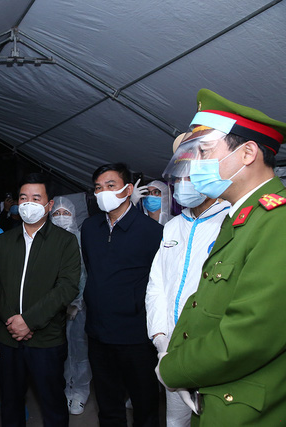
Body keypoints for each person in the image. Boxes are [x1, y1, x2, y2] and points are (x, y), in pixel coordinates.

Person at [156, 89, 286, 425]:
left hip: (245, 407)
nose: (195, 164)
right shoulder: (240, 218)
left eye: (204, 152)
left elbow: (249, 336)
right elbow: (203, 304)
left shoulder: (277, 222)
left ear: (247, 153)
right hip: (215, 393)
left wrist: (172, 368)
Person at [146, 138, 231, 426]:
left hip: (213, 346)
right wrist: (161, 340)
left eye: (191, 177)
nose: (184, 184)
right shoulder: (172, 226)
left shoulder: (229, 220)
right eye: (179, 178)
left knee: (215, 416)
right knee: (175, 419)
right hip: (172, 347)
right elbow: (157, 285)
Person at [0, 172, 81, 427]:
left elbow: (67, 288)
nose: (28, 204)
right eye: (23, 198)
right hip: (8, 339)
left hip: (47, 340)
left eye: (36, 198)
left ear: (49, 204)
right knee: (10, 403)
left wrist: (29, 321)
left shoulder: (65, 242)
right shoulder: (3, 241)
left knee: (52, 404)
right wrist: (13, 322)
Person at [81, 163, 162, 427]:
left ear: (128, 190)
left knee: (144, 404)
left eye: (110, 185)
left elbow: (158, 282)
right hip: (98, 333)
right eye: (98, 188)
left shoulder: (151, 231)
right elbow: (91, 269)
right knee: (108, 405)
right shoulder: (89, 228)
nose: (103, 192)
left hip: (135, 335)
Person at [50, 196, 91, 415]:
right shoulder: (47, 240)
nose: (61, 217)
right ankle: (66, 389)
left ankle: (81, 391)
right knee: (60, 352)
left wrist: (76, 302)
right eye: (56, 213)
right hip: (53, 309)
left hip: (78, 308)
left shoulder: (81, 239)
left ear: (74, 215)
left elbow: (83, 274)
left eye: (66, 213)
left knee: (79, 350)